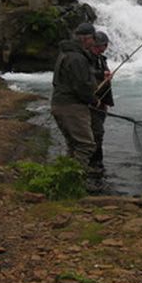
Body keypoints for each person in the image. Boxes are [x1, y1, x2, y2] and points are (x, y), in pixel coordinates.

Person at [51, 22, 99, 178]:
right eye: (93, 38)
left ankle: (65, 177)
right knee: (85, 145)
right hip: (72, 107)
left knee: (73, 145)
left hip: (59, 103)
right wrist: (93, 100)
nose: (94, 42)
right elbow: (82, 86)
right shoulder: (77, 58)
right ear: (85, 39)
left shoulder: (65, 53)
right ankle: (75, 179)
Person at [90, 31, 114, 169]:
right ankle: (95, 163)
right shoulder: (88, 60)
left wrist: (106, 103)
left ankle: (97, 163)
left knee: (98, 132)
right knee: (96, 132)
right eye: (102, 45)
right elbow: (87, 76)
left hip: (101, 102)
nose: (103, 48)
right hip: (93, 103)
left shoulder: (101, 59)